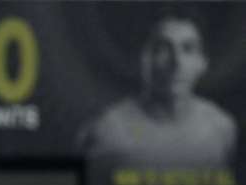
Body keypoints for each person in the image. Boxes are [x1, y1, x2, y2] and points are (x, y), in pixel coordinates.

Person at [77, 10, 237, 168]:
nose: (177, 62)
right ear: (142, 59)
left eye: (188, 49)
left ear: (203, 63)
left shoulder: (221, 128)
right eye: (163, 48)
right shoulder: (107, 133)